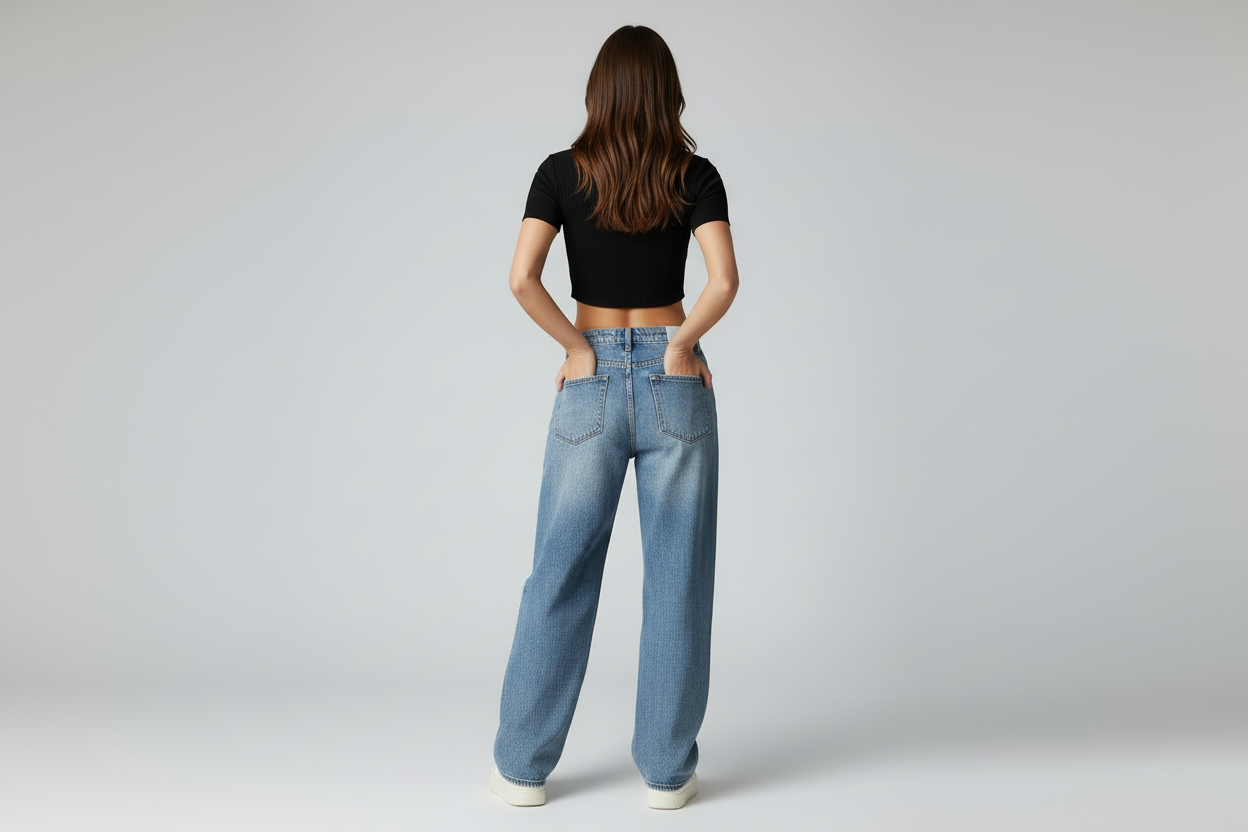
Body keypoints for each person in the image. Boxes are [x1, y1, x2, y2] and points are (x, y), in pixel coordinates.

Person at [489, 24, 739, 811]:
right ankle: (667, 774)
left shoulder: (558, 173)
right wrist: (684, 345)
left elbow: (522, 278)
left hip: (590, 378)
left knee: (557, 573)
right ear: (668, 93)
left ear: (597, 92)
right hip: (675, 382)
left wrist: (576, 349)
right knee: (678, 579)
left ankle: (520, 770)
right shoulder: (694, 174)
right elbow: (724, 281)